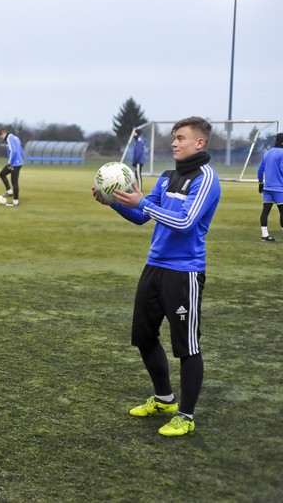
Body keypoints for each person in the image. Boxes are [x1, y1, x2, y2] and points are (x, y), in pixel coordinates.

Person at [93, 116, 221, 437]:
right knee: (144, 336)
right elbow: (142, 216)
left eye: (181, 138)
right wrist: (114, 203)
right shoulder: (166, 177)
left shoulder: (206, 178)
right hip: (154, 268)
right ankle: (164, 399)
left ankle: (186, 416)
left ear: (199, 143)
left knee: (187, 346)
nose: (174, 143)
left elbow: (184, 222)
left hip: (184, 273)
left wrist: (144, 203)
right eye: (174, 138)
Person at [257, 132, 283, 241]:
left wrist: (260, 183)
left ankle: (265, 235)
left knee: (265, 211)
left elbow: (260, 169)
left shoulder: (267, 153)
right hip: (279, 188)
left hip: (267, 188)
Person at [0, 128, 23, 207]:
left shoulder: (9, 138)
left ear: (3, 134)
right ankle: (9, 192)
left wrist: (10, 163)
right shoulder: (16, 138)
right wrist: (21, 160)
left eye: (1, 136)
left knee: (14, 182)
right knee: (2, 174)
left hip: (14, 164)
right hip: (18, 162)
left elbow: (13, 151)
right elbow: (21, 151)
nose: (2, 138)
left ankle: (15, 202)